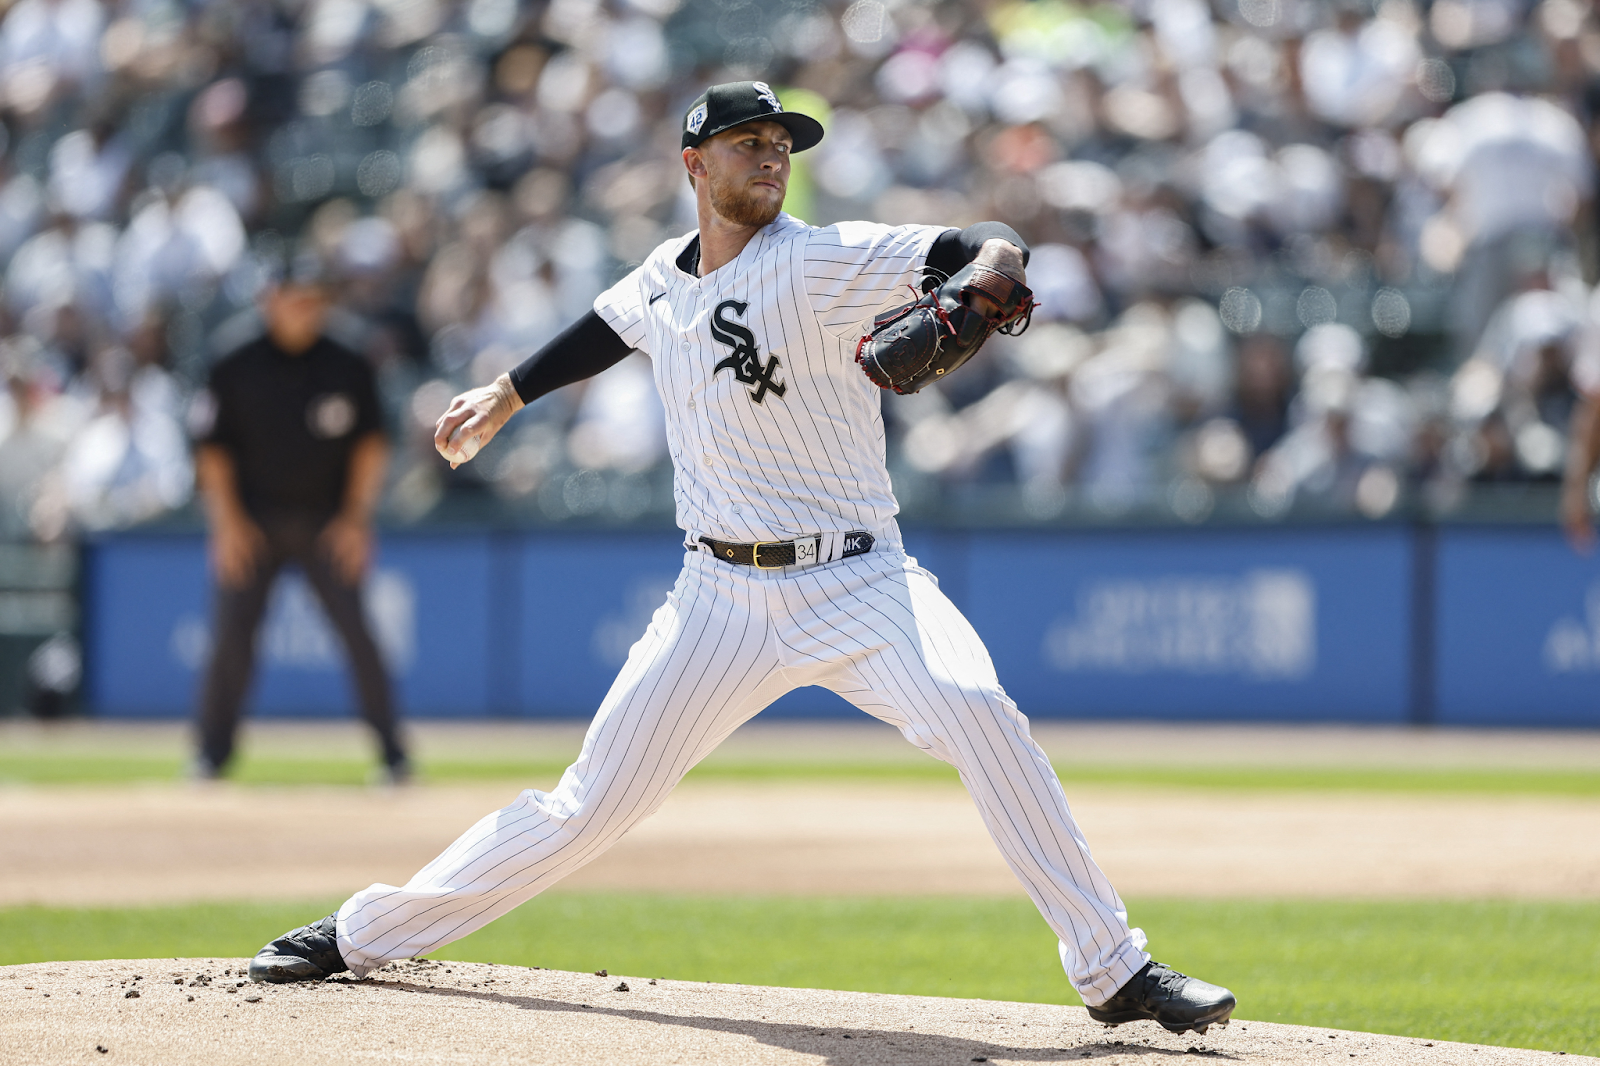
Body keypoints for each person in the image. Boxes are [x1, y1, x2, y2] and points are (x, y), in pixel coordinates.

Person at [247, 82, 1235, 1034]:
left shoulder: (820, 260)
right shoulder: (664, 274)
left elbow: (981, 243)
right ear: (694, 164)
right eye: (749, 145)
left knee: (979, 712)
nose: (771, 159)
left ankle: (1113, 968)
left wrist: (987, 275)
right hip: (715, 597)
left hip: (859, 579)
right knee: (584, 806)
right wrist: (508, 391)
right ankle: (362, 931)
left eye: (780, 147)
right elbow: (608, 325)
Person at [191, 261, 409, 782]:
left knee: (359, 635)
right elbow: (212, 451)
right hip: (253, 523)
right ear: (269, 300)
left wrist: (356, 520)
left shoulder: (349, 357)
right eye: (294, 299)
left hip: (327, 522)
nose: (304, 310)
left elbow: (371, 445)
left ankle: (393, 755)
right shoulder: (233, 357)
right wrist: (227, 526)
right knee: (232, 641)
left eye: (313, 299)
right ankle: (211, 757)